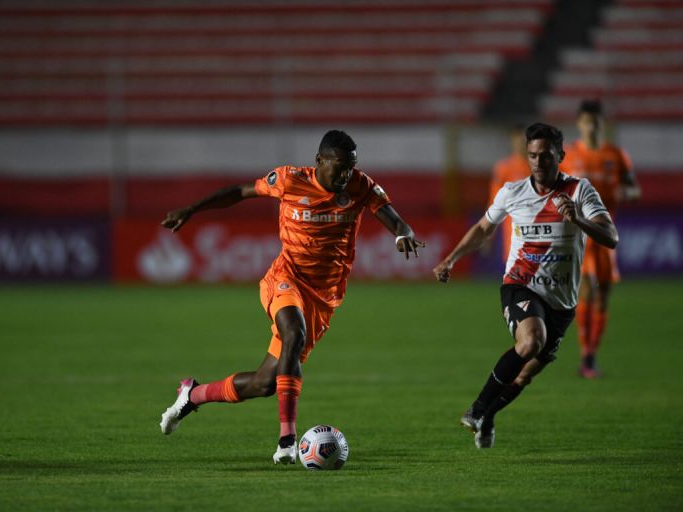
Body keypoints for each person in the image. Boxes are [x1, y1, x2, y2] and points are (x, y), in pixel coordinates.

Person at [158, 130, 424, 464]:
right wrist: (192, 209)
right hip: (285, 278)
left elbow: (397, 221)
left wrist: (403, 235)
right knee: (293, 334)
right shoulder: (289, 179)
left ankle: (192, 394)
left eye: (351, 168)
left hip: (324, 297)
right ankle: (287, 441)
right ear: (319, 162)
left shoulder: (361, 185)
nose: (345, 175)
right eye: (339, 167)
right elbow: (239, 192)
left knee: (265, 382)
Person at [433, 122, 618, 448]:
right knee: (532, 340)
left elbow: (611, 237)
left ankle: (488, 416)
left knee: (525, 373)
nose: (537, 162)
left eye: (545, 155)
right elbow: (482, 228)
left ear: (560, 155)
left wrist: (579, 219)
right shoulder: (512, 191)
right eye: (532, 155)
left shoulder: (579, 191)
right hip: (520, 285)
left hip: (561, 301)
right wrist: (450, 259)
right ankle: (477, 408)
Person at [561, 99, 641, 378]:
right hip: (580, 235)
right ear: (579, 124)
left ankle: (591, 354)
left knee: (604, 296)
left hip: (606, 234)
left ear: (601, 124)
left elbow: (634, 189)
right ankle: (587, 356)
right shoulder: (569, 155)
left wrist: (625, 193)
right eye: (586, 121)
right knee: (587, 289)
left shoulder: (616, 155)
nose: (591, 126)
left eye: (595, 121)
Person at [488, 125, 530, 263]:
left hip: (540, 231)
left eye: (524, 139)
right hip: (513, 234)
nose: (521, 143)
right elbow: (494, 204)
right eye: (518, 139)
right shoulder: (504, 168)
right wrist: (489, 234)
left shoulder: (541, 166)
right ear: (512, 140)